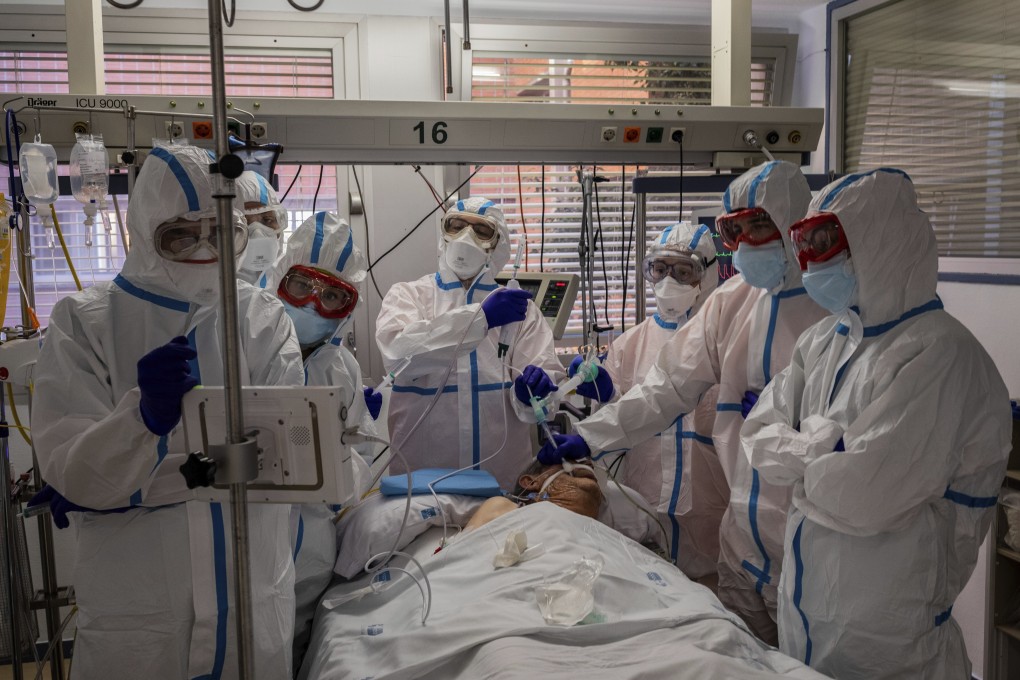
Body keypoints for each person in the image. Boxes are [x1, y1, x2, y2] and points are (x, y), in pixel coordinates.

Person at [30, 144, 305, 679]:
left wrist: (128, 479)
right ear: (142, 230)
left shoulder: (261, 319)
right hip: (140, 610)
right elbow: (75, 471)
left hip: (250, 593)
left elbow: (283, 460)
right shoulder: (85, 323)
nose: (204, 249)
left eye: (220, 232)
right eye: (179, 235)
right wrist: (141, 420)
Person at [539, 160, 828, 644]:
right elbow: (667, 388)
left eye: (759, 224)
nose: (747, 240)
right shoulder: (731, 304)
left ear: (792, 222)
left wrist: (790, 418)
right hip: (741, 534)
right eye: (735, 229)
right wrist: (589, 436)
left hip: (808, 535)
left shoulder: (832, 309)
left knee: (807, 660)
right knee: (731, 655)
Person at [740, 168, 1012, 679]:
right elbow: (755, 437)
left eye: (825, 241)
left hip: (893, 640)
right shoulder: (823, 341)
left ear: (880, 240)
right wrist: (825, 448)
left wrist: (798, 452)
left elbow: (863, 495)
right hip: (805, 618)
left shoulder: (941, 353)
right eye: (804, 242)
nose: (810, 259)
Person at [376, 197, 563, 488]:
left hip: (500, 480)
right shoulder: (408, 296)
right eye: (457, 226)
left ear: (497, 244)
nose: (466, 237)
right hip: (422, 484)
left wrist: (533, 394)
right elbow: (399, 355)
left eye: (481, 230)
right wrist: (481, 319)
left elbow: (545, 394)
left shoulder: (520, 311)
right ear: (444, 234)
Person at [265, 210, 378, 671]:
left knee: (300, 649)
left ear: (347, 308)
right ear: (279, 279)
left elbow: (363, 455)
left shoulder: (343, 368)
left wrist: (339, 467)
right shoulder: (249, 349)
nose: (313, 305)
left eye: (331, 295)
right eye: (301, 285)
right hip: (255, 535)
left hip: (314, 542)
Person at [598, 221, 728, 581]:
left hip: (709, 513)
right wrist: (605, 395)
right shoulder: (628, 345)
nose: (668, 281)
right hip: (643, 508)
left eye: (683, 272)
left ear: (707, 275)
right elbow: (613, 427)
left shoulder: (727, 343)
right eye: (659, 269)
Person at [464, 458, 605, 531]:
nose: (587, 465)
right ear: (530, 482)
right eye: (568, 461)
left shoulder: (607, 538)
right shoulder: (502, 508)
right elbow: (465, 555)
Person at [235, 169, 287, 286]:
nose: (257, 234)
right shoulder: (217, 285)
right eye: (245, 222)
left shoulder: (290, 279)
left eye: (268, 220)